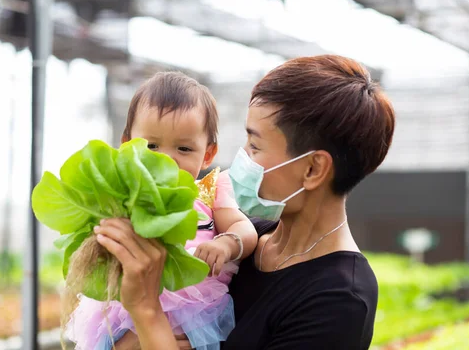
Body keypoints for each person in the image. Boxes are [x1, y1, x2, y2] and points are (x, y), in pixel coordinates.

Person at [94, 55, 396, 350]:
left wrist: (146, 311)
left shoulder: (338, 300)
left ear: (312, 169)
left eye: (254, 145)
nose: (241, 158)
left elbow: (150, 320)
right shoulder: (245, 238)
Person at [67, 72, 258, 350]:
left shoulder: (210, 190)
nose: (166, 158)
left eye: (183, 148)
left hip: (194, 311)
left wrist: (227, 244)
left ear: (208, 153)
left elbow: (245, 229)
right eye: (152, 146)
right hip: (127, 308)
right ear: (126, 143)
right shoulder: (125, 196)